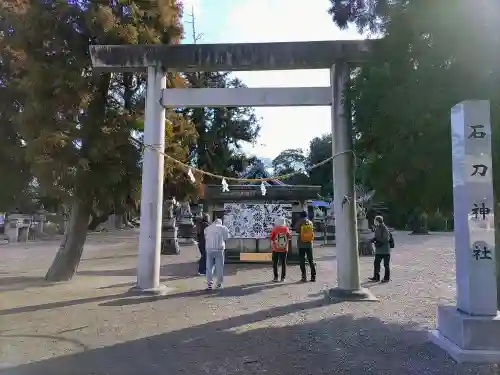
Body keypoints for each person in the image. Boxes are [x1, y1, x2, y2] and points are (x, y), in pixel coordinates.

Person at [204, 218, 230, 290]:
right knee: (219, 267)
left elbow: (206, 237)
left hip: (209, 249)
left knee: (209, 267)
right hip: (219, 249)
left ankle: (209, 284)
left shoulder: (207, 228)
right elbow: (226, 238)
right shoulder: (223, 228)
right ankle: (218, 284)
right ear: (220, 223)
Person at [295, 211, 316, 282]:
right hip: (309, 244)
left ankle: (304, 277)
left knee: (302, 260)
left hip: (301, 244)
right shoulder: (310, 222)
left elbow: (297, 230)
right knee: (311, 260)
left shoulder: (300, 222)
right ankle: (313, 277)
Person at [369, 215, 391, 282]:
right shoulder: (377, 228)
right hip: (379, 250)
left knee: (386, 265)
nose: (374, 222)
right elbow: (377, 236)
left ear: (378, 221)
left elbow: (386, 239)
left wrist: (378, 241)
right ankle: (376, 277)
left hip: (385, 250)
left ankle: (386, 278)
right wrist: (373, 239)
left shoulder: (384, 228)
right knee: (376, 263)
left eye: (375, 220)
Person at [269, 217, 292, 282]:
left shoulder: (275, 229)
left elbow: (271, 237)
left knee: (275, 263)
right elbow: (289, 236)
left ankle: (275, 277)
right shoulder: (286, 228)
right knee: (283, 263)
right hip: (284, 249)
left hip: (275, 248)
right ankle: (283, 278)